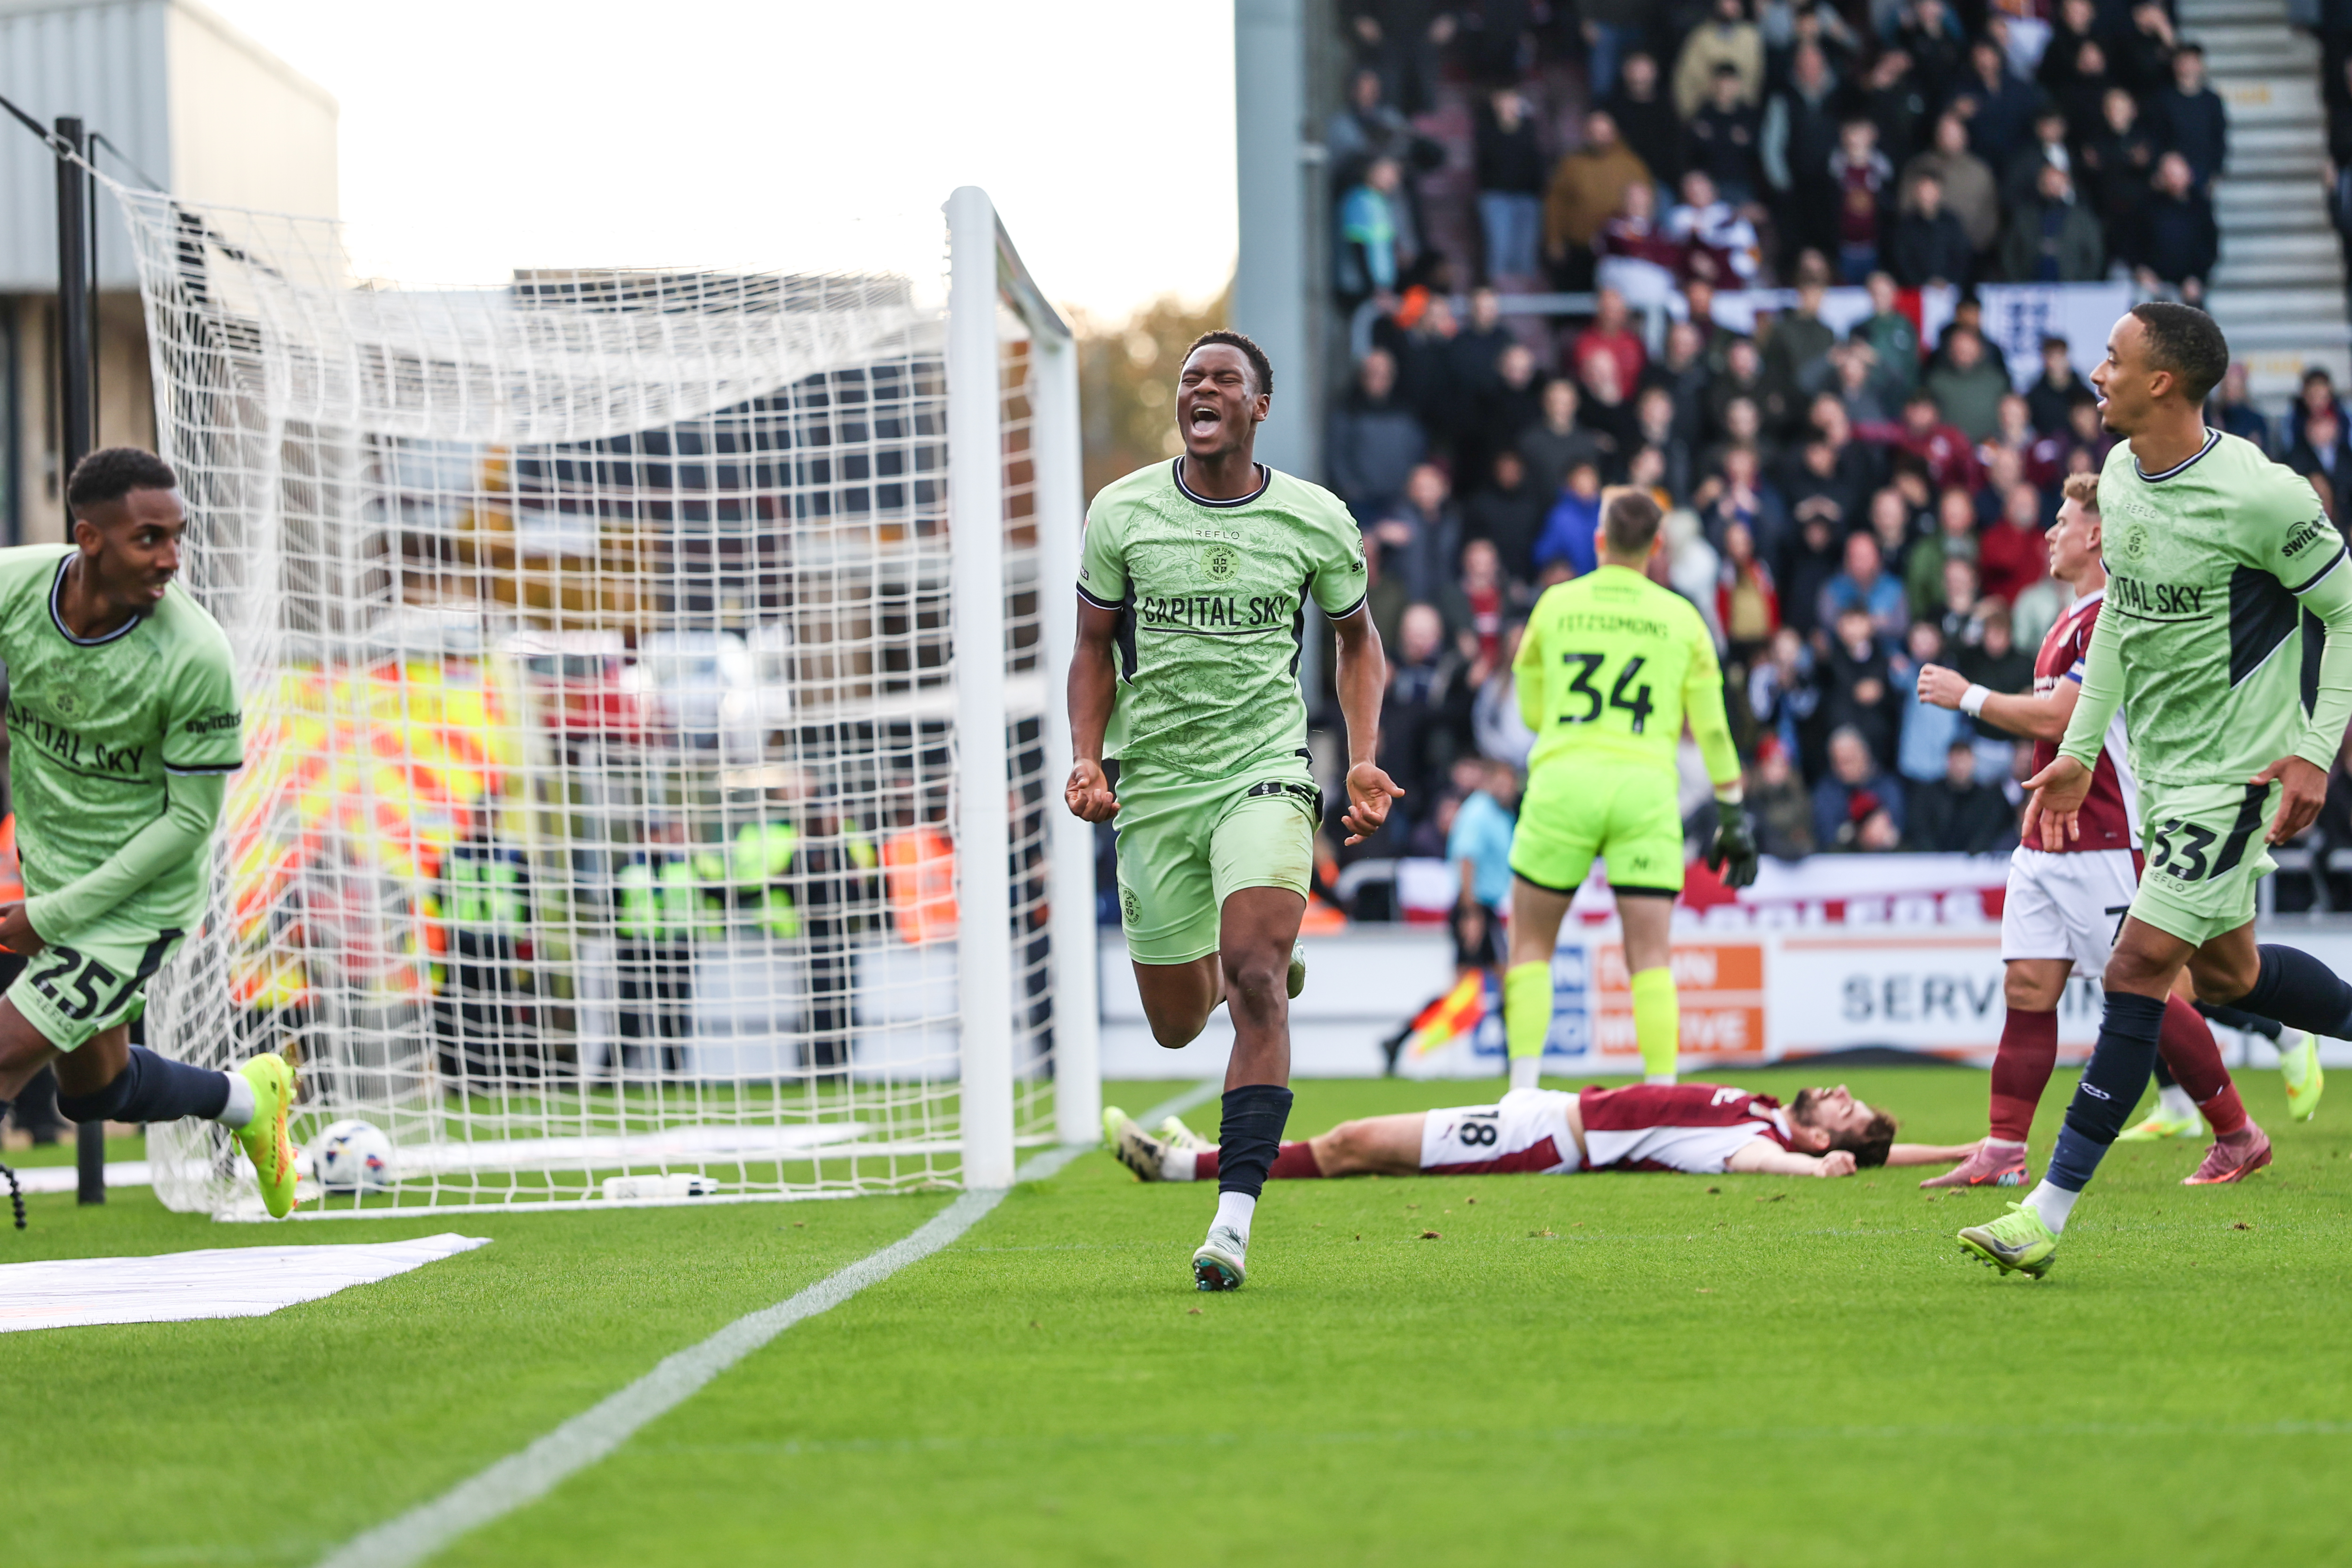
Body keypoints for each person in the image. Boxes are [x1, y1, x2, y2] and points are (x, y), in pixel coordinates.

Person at [1958, 305, 2342, 1277]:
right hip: (2159, 780)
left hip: (2235, 777)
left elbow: (2344, 611)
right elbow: (2122, 632)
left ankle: (2041, 1215)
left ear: (2160, 381)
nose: (2096, 373)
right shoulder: (2123, 479)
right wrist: (2083, 753)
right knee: (2228, 979)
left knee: (2133, 973)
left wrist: (2312, 750)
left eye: (2112, 359)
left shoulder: (2261, 494)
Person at [1067, 331, 1398, 1292]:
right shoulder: (1121, 511)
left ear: (1258, 407)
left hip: (1262, 767)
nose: (1200, 390)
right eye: (1189, 380)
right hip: (1156, 786)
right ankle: (1252, 951)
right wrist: (1087, 758)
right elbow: (1092, 647)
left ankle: (1231, 1223)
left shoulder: (1314, 518)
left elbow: (1356, 641)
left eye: (1223, 380)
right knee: (1175, 1023)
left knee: (1254, 979)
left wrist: (1364, 757)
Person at [0, 448, 296, 1218]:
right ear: (88, 538)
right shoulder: (16, 587)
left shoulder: (195, 655)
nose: (170, 559)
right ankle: (245, 1099)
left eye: (178, 536)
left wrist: (54, 917)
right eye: (148, 539)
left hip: (137, 903)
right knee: (93, 1092)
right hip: (50, 871)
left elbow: (190, 825)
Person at [1505, 490, 1753, 1098]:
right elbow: (1715, 728)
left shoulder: (1556, 604)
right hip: (1644, 792)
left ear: (1599, 542)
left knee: (1532, 943)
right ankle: (1663, 1090)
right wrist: (1732, 812)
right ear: (1658, 549)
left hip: (1564, 783)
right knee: (1650, 955)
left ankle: (1522, 1090)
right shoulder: (1681, 618)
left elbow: (1532, 707)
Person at [1104, 1082, 1980, 1185]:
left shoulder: (1755, 1143)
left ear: (1825, 1141)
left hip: (1534, 1140)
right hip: (1546, 1108)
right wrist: (1955, 1149)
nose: (1838, 1094)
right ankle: (1205, 1151)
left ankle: (1181, 1168)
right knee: (1352, 1137)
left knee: (1350, 1144)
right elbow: (1873, 1152)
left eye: (1845, 1110)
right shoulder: (1765, 1107)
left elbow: (1763, 1164)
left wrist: (1818, 1173)